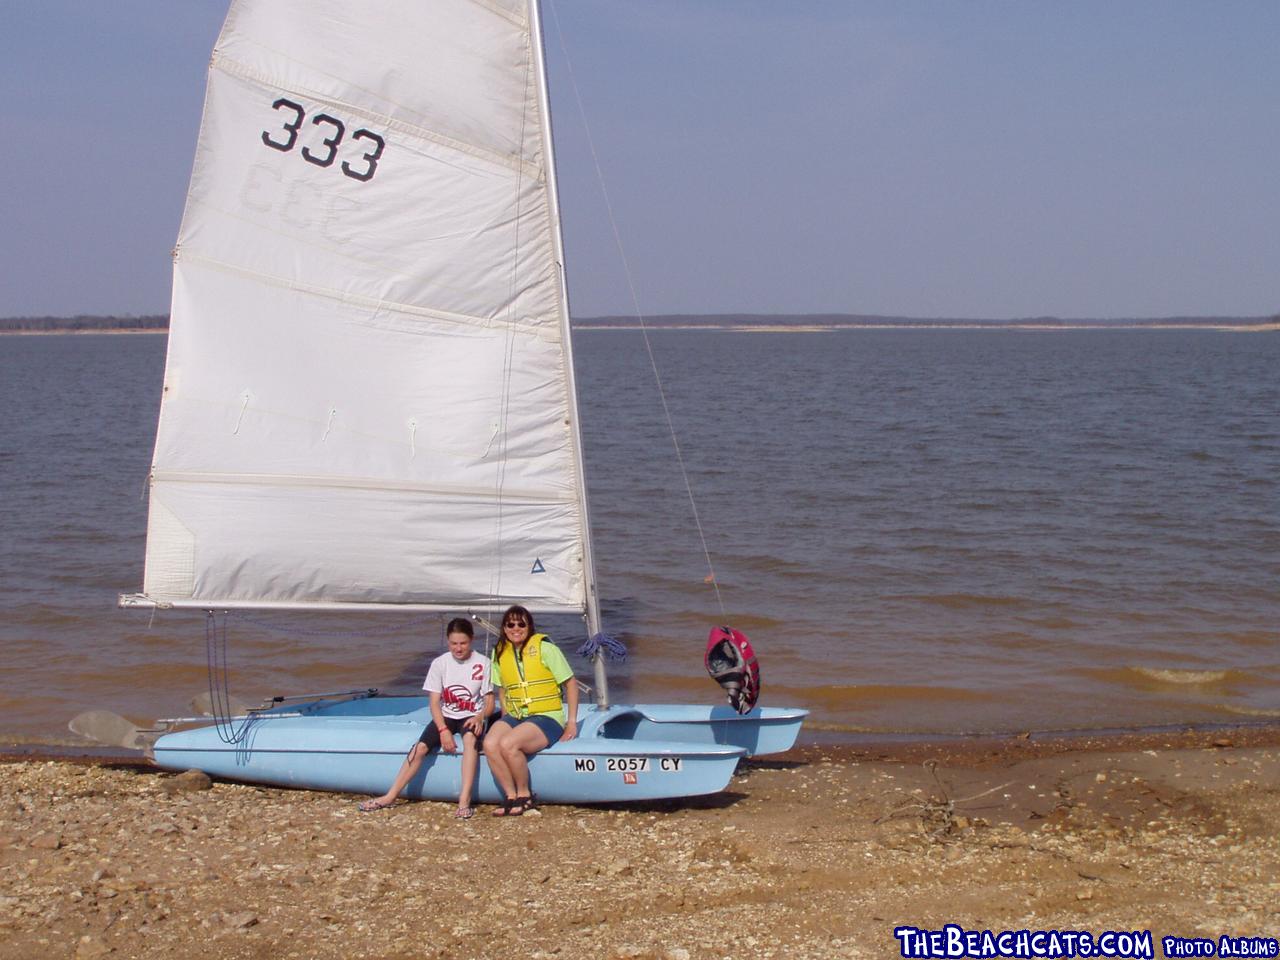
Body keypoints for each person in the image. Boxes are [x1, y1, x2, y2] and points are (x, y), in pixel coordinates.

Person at [358, 618, 493, 818]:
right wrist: (443, 730)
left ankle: (464, 801)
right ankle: (390, 796)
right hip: (446, 716)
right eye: (454, 643)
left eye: (463, 643)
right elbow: (434, 703)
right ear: (448, 642)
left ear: (471, 640)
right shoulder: (440, 663)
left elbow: (490, 703)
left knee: (469, 739)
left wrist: (480, 717)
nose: (458, 648)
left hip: (472, 716)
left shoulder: (483, 663)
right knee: (420, 748)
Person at [483, 604, 578, 817]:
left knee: (509, 744)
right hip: (517, 715)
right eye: (510, 624)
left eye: (521, 624)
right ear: (504, 628)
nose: (516, 628)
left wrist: (571, 722)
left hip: (547, 716)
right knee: (489, 743)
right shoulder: (499, 652)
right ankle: (510, 795)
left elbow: (570, 683)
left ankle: (525, 796)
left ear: (529, 626)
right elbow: (502, 689)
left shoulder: (546, 648)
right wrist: (506, 714)